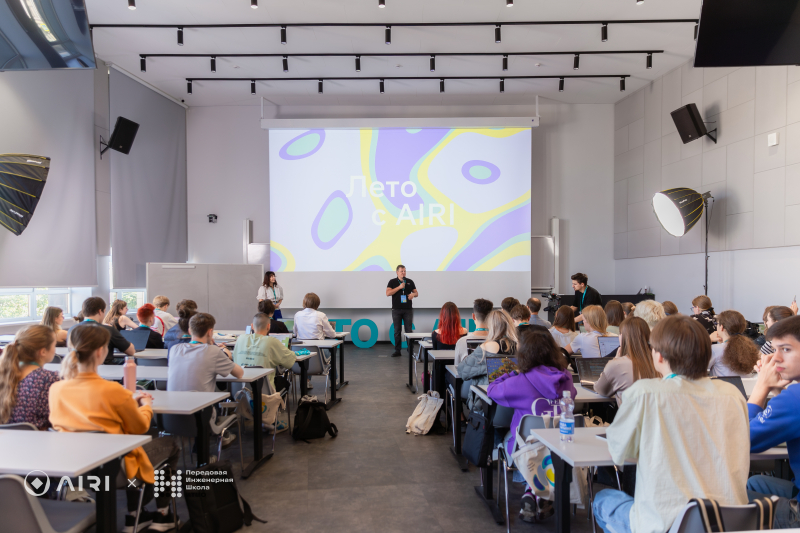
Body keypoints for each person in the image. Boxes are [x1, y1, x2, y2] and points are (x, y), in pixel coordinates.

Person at [593, 315, 750, 533]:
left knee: (602, 499)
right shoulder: (733, 394)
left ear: (657, 356)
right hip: (728, 522)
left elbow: (619, 452)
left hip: (666, 523)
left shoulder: (646, 392)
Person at [50, 325, 181, 532]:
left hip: (76, 472)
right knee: (168, 445)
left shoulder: (56, 388)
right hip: (116, 472)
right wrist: (146, 406)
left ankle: (137, 514)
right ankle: (162, 514)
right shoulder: (112, 390)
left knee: (123, 445)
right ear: (101, 352)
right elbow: (140, 427)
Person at [487, 328, 576, 523]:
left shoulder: (521, 380)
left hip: (525, 447)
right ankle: (536, 494)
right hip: (561, 446)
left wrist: (512, 372)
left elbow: (492, 390)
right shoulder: (566, 378)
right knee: (545, 447)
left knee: (504, 436)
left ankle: (534, 492)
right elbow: (573, 396)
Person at [746, 315, 800, 528]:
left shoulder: (795, 398)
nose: (775, 358)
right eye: (774, 349)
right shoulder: (792, 397)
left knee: (719, 501)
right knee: (755, 482)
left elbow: (743, 440)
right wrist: (777, 389)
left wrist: (761, 388)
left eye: (785, 349)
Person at [168, 313, 243, 443]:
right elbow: (239, 373)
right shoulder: (213, 351)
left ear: (190, 330)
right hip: (201, 416)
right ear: (210, 332)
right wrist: (224, 353)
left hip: (172, 416)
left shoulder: (175, 349)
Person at [0, 325, 59, 429]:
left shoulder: (4, 372)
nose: (55, 350)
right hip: (39, 442)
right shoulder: (49, 379)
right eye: (54, 345)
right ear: (43, 352)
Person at [457, 310, 518, 408]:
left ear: (490, 326)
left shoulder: (487, 347)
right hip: (514, 404)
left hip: (486, 403)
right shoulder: (521, 347)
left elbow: (462, 371)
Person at [594, 317, 661, 406]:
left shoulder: (616, 365)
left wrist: (616, 359)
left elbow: (601, 390)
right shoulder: (659, 362)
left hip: (629, 419)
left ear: (623, 337)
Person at [233, 313, 297, 393]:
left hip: (239, 391)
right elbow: (290, 361)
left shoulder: (240, 339)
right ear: (268, 326)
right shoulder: (271, 341)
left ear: (252, 326)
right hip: (265, 393)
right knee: (284, 382)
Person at [67, 297, 134, 363]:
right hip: (106, 369)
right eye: (104, 312)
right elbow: (131, 351)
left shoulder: (72, 329)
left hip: (79, 370)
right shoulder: (107, 330)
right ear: (100, 311)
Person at [707, 310, 759, 377]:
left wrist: (708, 339)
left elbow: (694, 368)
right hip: (745, 387)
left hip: (722, 387)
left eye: (717, 324)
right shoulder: (750, 349)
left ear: (721, 327)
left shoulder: (715, 349)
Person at [386, 265, 418, 357]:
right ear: (397, 272)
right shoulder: (392, 282)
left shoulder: (410, 281)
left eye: (404, 271)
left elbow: (417, 293)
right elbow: (388, 293)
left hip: (408, 310)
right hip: (396, 310)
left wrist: (413, 295)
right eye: (401, 271)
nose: (403, 273)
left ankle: (410, 350)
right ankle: (397, 351)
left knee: (409, 331)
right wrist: (399, 287)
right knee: (397, 331)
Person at [454, 298, 493, 365]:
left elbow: (457, 369)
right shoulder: (499, 341)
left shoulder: (462, 342)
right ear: (491, 317)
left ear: (473, 316)